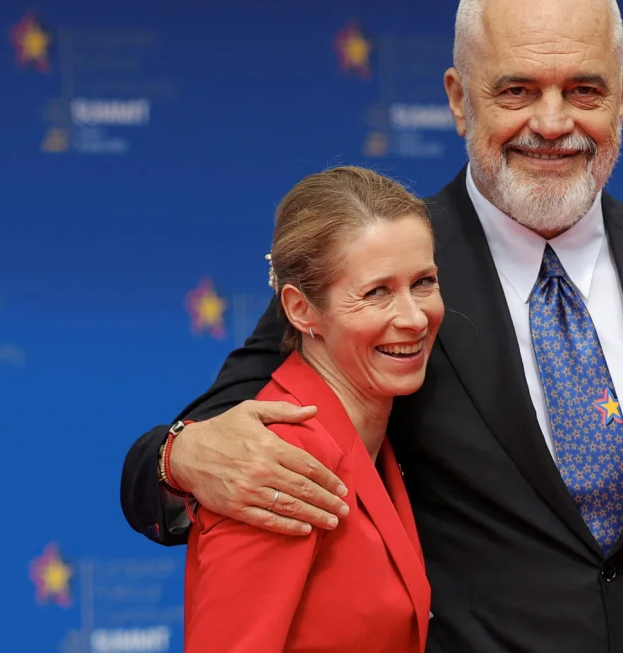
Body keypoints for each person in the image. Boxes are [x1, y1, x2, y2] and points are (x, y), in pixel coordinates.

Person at [122, 0, 623, 650]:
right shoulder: (384, 271)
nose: (551, 123)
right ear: (459, 99)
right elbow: (189, 455)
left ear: (622, 96)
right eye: (517, 90)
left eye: (583, 91)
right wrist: (179, 459)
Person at [181, 166, 441, 652]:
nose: (413, 317)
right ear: (301, 310)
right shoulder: (276, 461)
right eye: (377, 292)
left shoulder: (370, 439)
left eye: (424, 282)